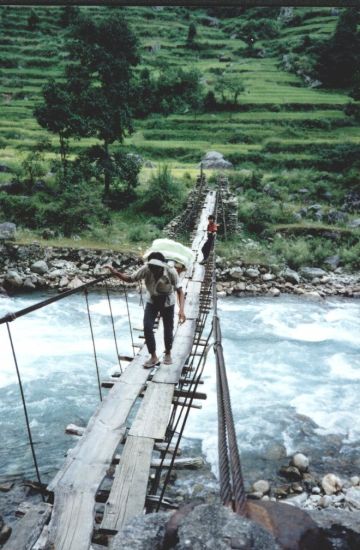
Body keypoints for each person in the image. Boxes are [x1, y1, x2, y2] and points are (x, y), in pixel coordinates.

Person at [105, 252, 186, 369]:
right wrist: (115, 272)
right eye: (151, 266)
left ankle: (168, 353)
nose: (153, 269)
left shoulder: (170, 271)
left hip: (167, 301)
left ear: (162, 266)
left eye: (156, 267)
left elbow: (180, 291)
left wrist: (182, 310)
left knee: (168, 328)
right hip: (152, 300)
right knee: (147, 327)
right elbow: (130, 279)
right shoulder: (146, 269)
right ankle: (153, 356)